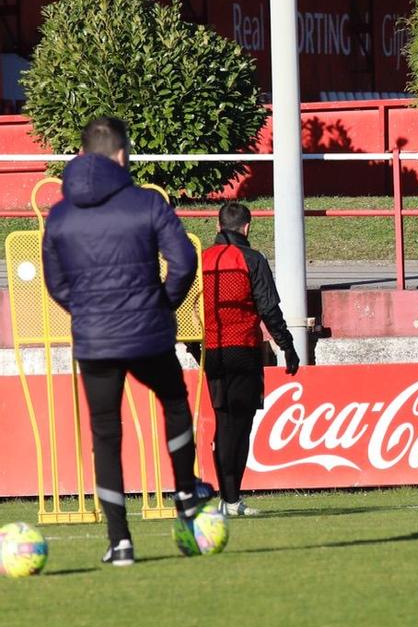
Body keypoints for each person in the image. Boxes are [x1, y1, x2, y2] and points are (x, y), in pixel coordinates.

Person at [41, 116, 213, 565]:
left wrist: (88, 313)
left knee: (105, 434)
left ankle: (120, 543)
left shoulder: (59, 215)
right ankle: (184, 491)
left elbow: (56, 283)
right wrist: (163, 305)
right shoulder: (146, 203)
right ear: (122, 155)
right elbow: (183, 262)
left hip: (94, 341)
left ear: (81, 156)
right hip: (148, 333)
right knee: (174, 400)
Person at [202, 201, 301, 516]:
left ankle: (226, 497)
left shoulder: (202, 260)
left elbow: (186, 304)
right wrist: (287, 346)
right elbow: (268, 308)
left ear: (218, 227)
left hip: (212, 351)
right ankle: (232, 500)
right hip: (243, 349)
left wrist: (194, 348)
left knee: (222, 422)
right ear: (247, 227)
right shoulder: (252, 260)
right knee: (241, 425)